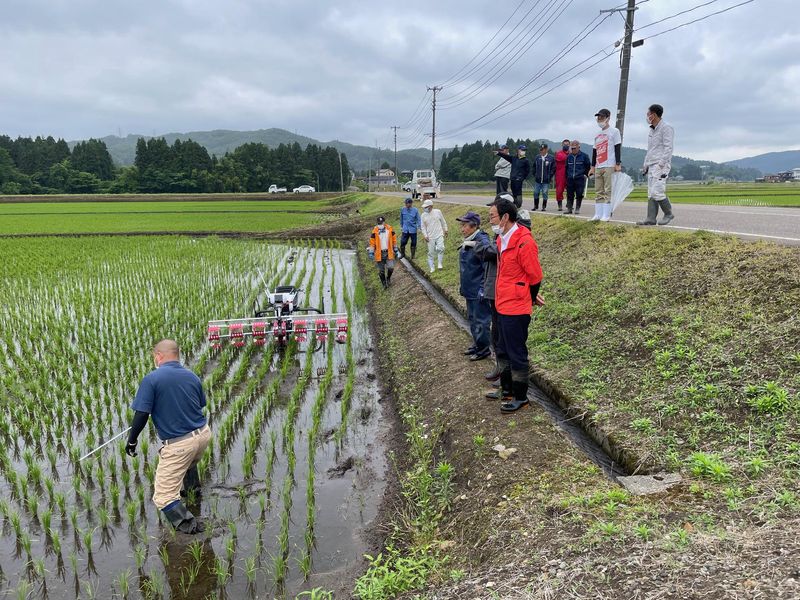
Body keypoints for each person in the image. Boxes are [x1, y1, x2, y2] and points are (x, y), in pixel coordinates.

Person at [126, 339, 211, 534]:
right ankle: (193, 491)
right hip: (203, 435)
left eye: (154, 356)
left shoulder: (152, 379)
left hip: (180, 444)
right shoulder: (191, 376)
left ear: (159, 356)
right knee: (189, 461)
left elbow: (141, 415)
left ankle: (191, 529)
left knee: (163, 496)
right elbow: (198, 405)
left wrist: (132, 441)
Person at [488, 202, 544, 413]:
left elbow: (535, 276)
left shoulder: (524, 243)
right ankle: (507, 389)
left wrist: (528, 297)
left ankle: (521, 397)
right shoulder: (503, 239)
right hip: (502, 303)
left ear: (505, 217)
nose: (490, 220)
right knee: (502, 350)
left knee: (516, 352)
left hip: (516, 307)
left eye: (493, 216)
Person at [457, 211, 492, 362]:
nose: (462, 229)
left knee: (481, 321)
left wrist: (483, 290)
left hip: (478, 291)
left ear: (474, 226)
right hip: (469, 289)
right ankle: (477, 344)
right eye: (462, 225)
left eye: (464, 225)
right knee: (472, 319)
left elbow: (487, 269)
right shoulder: (469, 241)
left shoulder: (482, 242)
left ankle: (484, 349)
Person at [637, 103, 675, 226]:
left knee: (657, 191)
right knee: (650, 192)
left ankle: (668, 213)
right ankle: (650, 218)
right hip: (652, 164)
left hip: (661, 165)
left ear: (653, 115)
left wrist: (661, 164)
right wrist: (645, 164)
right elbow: (650, 149)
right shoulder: (651, 130)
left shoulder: (666, 128)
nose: (647, 116)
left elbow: (668, 148)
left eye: (648, 114)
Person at [587, 108, 622, 222]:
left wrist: (617, 163)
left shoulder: (614, 131)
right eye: (598, 117)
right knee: (598, 190)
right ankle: (598, 214)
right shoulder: (597, 134)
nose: (599, 119)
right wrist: (592, 167)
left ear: (608, 118)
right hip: (598, 165)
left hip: (609, 164)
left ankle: (606, 215)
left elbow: (617, 148)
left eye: (601, 117)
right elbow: (594, 151)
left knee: (608, 190)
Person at [368, 216, 399, 289]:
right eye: (379, 223)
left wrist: (395, 249)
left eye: (381, 223)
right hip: (379, 253)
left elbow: (394, 240)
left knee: (391, 267)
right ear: (377, 223)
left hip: (388, 252)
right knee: (381, 270)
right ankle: (384, 283)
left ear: (384, 222)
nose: (380, 224)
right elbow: (372, 243)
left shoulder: (390, 229)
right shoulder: (374, 231)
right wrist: (371, 252)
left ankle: (388, 278)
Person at [420, 197, 448, 273]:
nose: (425, 208)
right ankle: (432, 267)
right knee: (431, 252)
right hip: (430, 236)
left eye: (426, 207)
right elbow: (423, 227)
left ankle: (440, 264)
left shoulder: (438, 212)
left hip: (439, 234)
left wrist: (445, 230)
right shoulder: (423, 215)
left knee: (441, 248)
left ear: (431, 206)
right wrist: (425, 235)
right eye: (424, 207)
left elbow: (443, 221)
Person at [564, 140, 591, 215]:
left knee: (579, 194)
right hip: (570, 178)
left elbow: (588, 166)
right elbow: (566, 168)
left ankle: (577, 208)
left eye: (574, 148)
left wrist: (585, 175)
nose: (573, 150)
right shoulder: (569, 157)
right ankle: (569, 209)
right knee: (569, 194)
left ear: (579, 147)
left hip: (580, 178)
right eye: (572, 148)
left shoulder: (584, 156)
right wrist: (567, 177)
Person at [532, 143, 555, 211]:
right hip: (538, 179)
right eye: (541, 150)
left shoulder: (551, 158)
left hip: (546, 180)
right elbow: (534, 167)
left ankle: (544, 206)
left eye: (543, 150)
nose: (542, 151)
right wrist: (535, 174)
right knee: (536, 192)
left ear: (546, 149)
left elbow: (553, 168)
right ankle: (535, 206)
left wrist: (550, 176)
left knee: (545, 193)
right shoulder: (537, 157)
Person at [554, 139, 570, 211]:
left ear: (569, 145)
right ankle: (560, 205)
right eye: (564, 144)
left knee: (570, 190)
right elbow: (563, 158)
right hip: (560, 175)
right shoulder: (559, 153)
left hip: (569, 174)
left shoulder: (571, 154)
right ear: (562, 145)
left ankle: (569, 204)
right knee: (559, 190)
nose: (566, 145)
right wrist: (570, 156)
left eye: (567, 144)